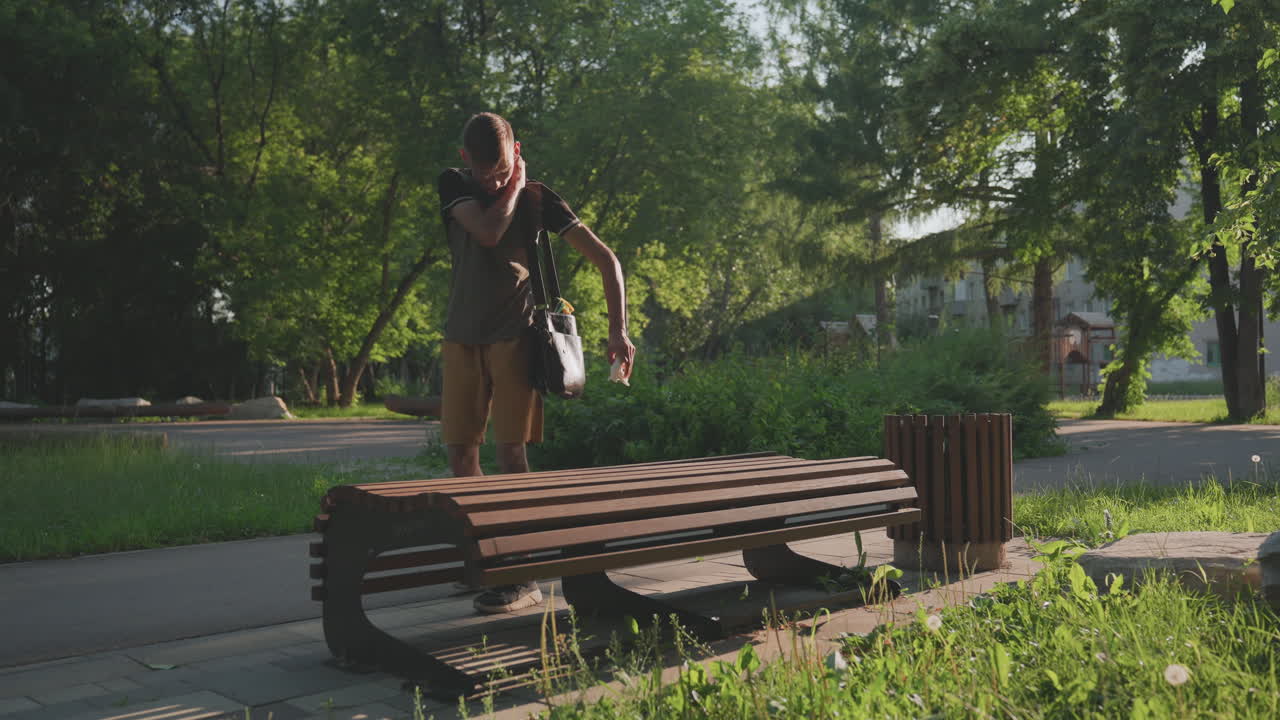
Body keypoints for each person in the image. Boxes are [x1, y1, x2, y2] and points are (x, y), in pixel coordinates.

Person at [437, 111, 636, 614]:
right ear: (465, 161)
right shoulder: (453, 186)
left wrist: (618, 330)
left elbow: (607, 261)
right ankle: (486, 558)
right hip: (460, 339)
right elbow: (486, 231)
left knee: (511, 457)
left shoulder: (539, 199)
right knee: (461, 456)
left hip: (514, 341)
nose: (494, 179)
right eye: (485, 171)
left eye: (503, 169)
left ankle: (521, 575)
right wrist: (515, 184)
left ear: (517, 151)